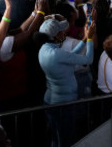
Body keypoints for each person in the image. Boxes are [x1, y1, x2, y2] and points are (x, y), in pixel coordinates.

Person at [35, 16, 95, 147]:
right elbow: (88, 59)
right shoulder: (56, 54)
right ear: (56, 36)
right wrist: (90, 39)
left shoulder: (44, 49)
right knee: (66, 140)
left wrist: (84, 39)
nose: (65, 32)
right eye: (61, 31)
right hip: (63, 105)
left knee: (56, 137)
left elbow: (70, 56)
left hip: (51, 101)